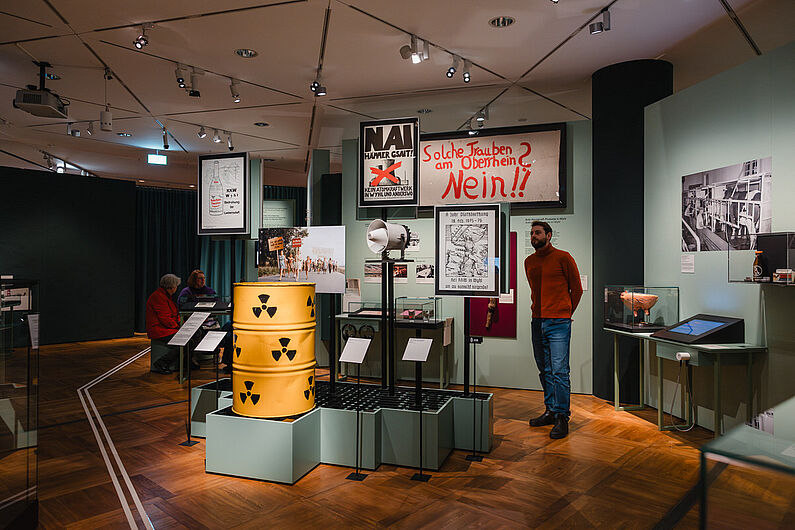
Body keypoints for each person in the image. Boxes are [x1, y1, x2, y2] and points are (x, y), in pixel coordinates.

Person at [524, 221, 583, 439]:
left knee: (559, 371)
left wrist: (564, 313)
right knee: (545, 369)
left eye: (537, 233)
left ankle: (561, 416)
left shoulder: (563, 257)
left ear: (549, 235)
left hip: (558, 322)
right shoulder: (528, 261)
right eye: (531, 233)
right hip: (537, 321)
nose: (533, 236)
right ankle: (550, 410)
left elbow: (576, 290)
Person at [146, 273, 181, 374]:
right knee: (184, 341)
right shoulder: (158, 297)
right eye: (176, 286)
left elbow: (174, 314)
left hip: (167, 328)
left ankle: (185, 363)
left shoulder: (165, 296)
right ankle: (161, 363)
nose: (176, 288)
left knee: (192, 338)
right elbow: (165, 319)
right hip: (160, 330)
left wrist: (179, 324)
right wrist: (179, 327)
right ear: (172, 287)